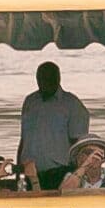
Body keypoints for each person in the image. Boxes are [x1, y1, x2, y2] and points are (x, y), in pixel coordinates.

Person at [18, 61, 90, 191]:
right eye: (41, 78)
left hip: (59, 173)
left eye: (49, 78)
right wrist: (19, 171)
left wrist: (75, 175)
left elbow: (79, 145)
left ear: (58, 78)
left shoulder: (71, 104)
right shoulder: (30, 101)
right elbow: (24, 139)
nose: (44, 82)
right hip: (29, 172)